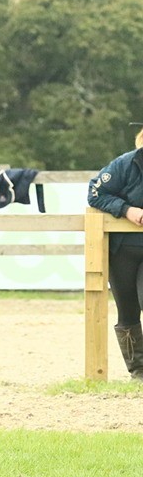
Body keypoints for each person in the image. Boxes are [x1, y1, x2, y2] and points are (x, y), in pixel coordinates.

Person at [88, 123, 143, 381]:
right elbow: (96, 193)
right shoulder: (124, 165)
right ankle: (139, 371)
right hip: (122, 250)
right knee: (128, 310)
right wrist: (126, 210)